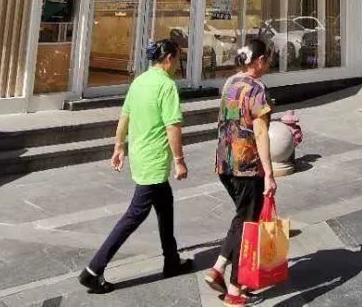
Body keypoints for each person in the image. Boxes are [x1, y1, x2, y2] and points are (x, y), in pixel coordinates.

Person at [79, 39, 194, 294]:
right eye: (178, 58)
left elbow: (125, 116)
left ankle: (171, 259)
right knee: (135, 215)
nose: (178, 63)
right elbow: (173, 126)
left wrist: (119, 146)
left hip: (140, 155)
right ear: (169, 58)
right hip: (154, 160)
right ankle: (93, 270)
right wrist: (179, 160)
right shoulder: (166, 85)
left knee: (165, 206)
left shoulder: (139, 81)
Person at [204, 40, 277, 306]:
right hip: (247, 167)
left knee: (242, 217)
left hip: (225, 163)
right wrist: (269, 173)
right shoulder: (257, 88)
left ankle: (218, 267)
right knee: (248, 227)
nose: (268, 64)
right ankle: (235, 290)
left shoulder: (230, 83)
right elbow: (261, 132)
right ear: (259, 60)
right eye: (267, 59)